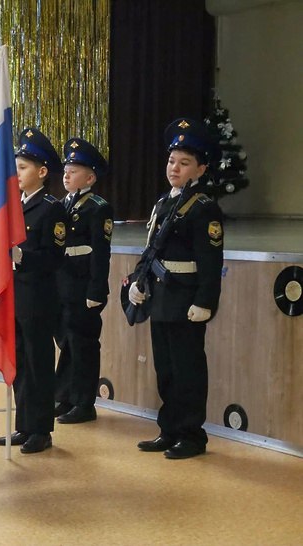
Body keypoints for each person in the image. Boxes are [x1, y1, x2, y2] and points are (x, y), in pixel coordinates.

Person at [128, 118, 223, 459]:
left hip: (185, 300)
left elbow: (210, 261)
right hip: (161, 298)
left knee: (188, 371)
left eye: (184, 163)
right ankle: (169, 430)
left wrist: (205, 301)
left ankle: (192, 435)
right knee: (166, 370)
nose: (175, 168)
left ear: (200, 169)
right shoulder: (162, 204)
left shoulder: (203, 208)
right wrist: (137, 282)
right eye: (171, 161)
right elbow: (150, 250)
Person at [0, 127, 66, 453]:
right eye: (16, 167)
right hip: (16, 297)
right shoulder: (14, 207)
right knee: (20, 361)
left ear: (42, 172)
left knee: (38, 364)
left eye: (23, 168)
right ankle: (24, 424)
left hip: (38, 298)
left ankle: (41, 429)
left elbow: (54, 257)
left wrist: (22, 257)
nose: (17, 174)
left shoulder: (51, 208)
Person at [54, 137, 113, 424]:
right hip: (62, 283)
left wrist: (96, 289)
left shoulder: (97, 208)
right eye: (66, 170)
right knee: (66, 341)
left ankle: (84, 402)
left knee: (83, 344)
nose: (66, 175)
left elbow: (101, 253)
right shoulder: (60, 205)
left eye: (74, 171)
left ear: (90, 178)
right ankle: (64, 396)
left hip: (83, 285)